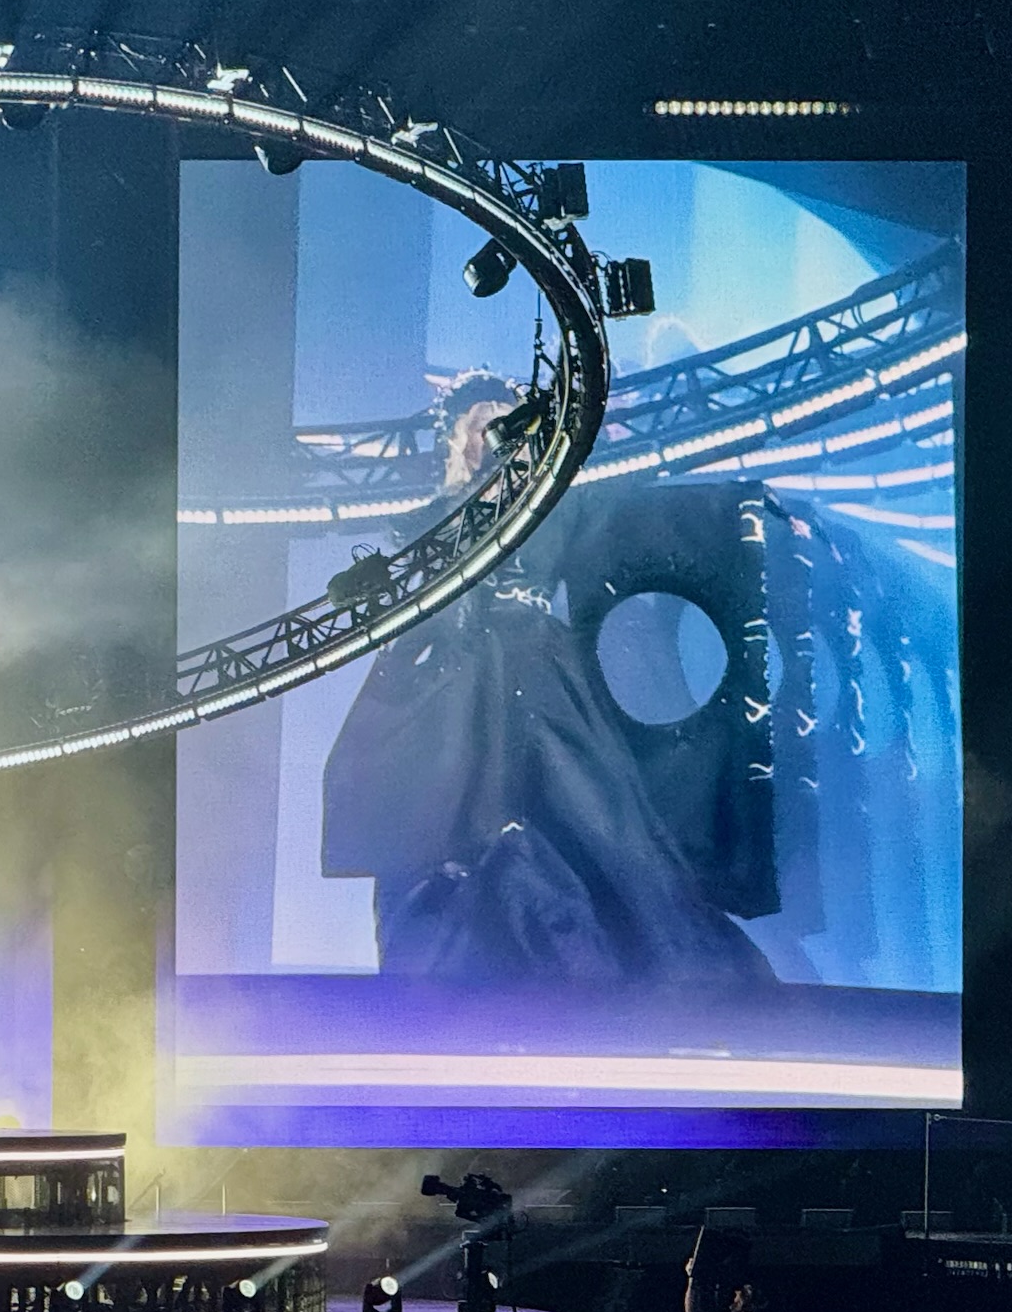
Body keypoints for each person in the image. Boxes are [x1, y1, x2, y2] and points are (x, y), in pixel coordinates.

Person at [319, 371, 776, 991]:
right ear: (460, 438)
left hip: (540, 666)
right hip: (458, 675)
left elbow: (634, 520)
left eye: (504, 424)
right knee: (449, 807)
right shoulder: (434, 516)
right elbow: (405, 596)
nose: (495, 437)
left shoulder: (552, 503)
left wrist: (741, 510)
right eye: (480, 426)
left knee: (588, 806)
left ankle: (615, 949)